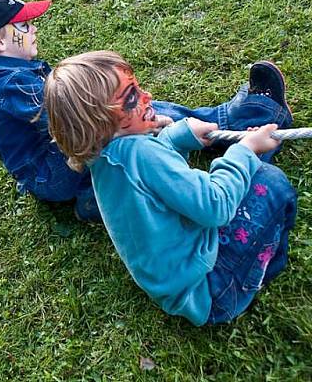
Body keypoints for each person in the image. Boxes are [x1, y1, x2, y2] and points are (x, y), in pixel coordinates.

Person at [0, 0, 293, 222]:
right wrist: (141, 121)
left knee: (134, 112)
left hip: (54, 161)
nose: (33, 28)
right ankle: (250, 125)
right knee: (127, 122)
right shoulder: (12, 84)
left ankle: (226, 126)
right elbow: (78, 124)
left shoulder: (15, 72)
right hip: (50, 174)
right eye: (23, 25)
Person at [45, 51, 297, 325]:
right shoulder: (140, 154)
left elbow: (147, 174)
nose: (147, 96)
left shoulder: (106, 156)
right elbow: (216, 206)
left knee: (254, 175)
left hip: (175, 287)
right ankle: (264, 270)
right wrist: (245, 150)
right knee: (270, 182)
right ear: (100, 121)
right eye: (132, 97)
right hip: (213, 290)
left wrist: (179, 136)